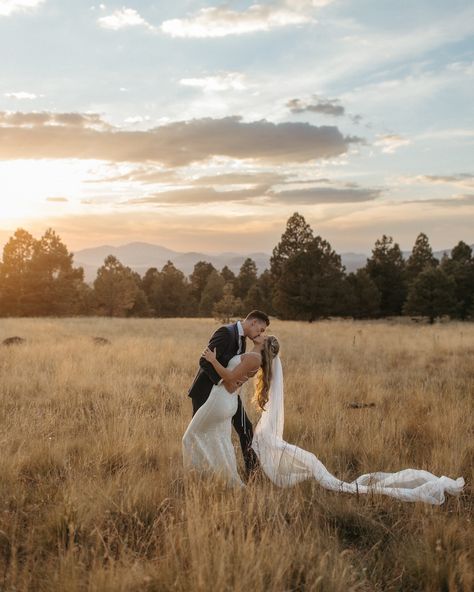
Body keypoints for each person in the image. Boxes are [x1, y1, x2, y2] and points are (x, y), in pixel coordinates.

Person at [189, 335, 465, 505]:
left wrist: (214, 361)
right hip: (264, 425)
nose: (259, 335)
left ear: (264, 347)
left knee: (322, 474)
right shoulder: (260, 362)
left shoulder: (254, 360)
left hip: (260, 424)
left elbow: (231, 378)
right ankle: (263, 477)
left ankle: (267, 477)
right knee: (295, 459)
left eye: (262, 335)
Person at [186, 310, 270, 478]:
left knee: (245, 428)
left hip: (227, 394)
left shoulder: (242, 340)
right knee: (200, 433)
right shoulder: (226, 332)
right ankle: (200, 473)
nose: (260, 334)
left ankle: (253, 473)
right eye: (260, 330)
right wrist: (224, 381)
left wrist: (233, 382)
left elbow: (235, 367)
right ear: (253, 322)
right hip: (207, 391)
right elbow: (204, 360)